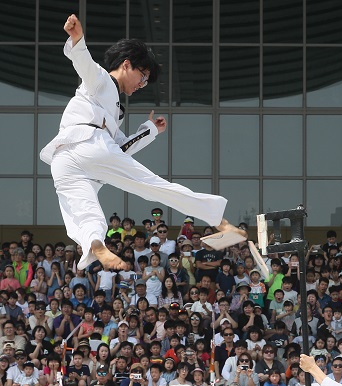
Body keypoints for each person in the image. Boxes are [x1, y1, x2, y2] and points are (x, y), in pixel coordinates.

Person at [40, 15, 245, 273]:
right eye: (143, 76)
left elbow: (119, 149)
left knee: (83, 209)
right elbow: (85, 66)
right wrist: (77, 39)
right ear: (127, 65)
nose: (142, 84)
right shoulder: (102, 81)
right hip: (90, 145)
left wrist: (149, 131)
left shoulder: (112, 109)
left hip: (64, 160)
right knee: (153, 186)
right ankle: (219, 221)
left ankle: (95, 244)